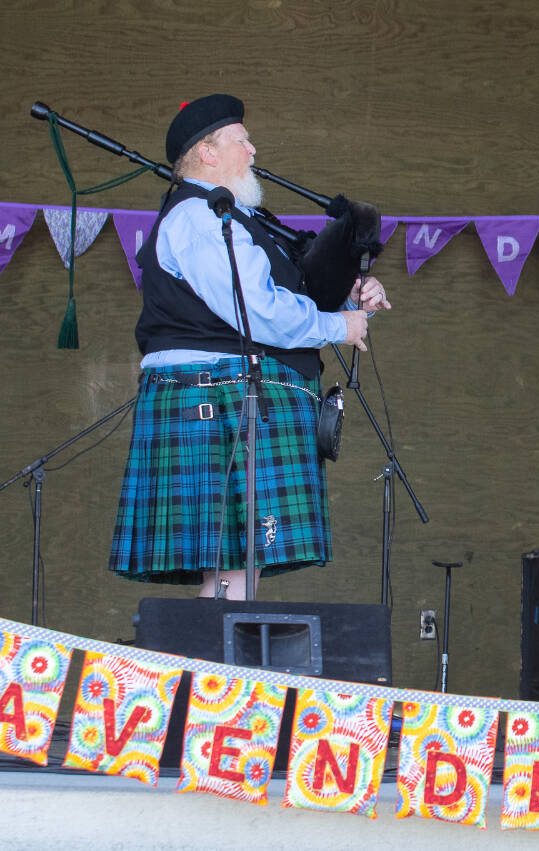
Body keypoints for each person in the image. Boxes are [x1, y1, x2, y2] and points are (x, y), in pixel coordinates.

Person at [108, 94, 391, 599]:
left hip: (227, 397)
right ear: (208, 152)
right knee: (228, 566)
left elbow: (289, 284)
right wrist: (336, 327)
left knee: (238, 567)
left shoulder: (236, 219)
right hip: (214, 398)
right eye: (243, 140)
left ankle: (223, 674)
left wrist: (353, 291)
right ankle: (210, 677)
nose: (254, 150)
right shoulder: (201, 218)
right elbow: (256, 311)